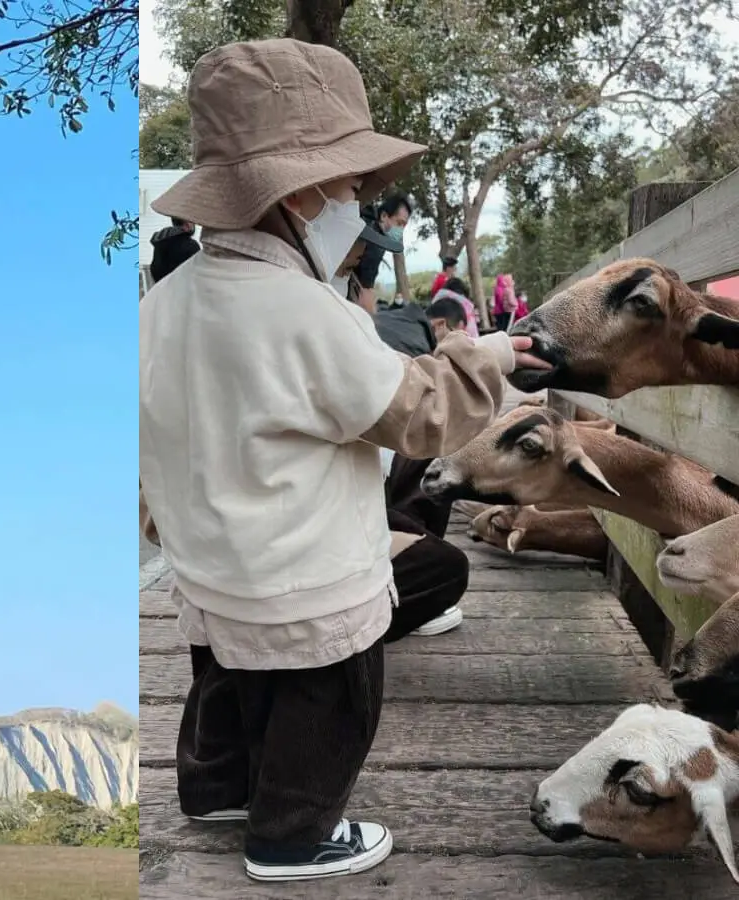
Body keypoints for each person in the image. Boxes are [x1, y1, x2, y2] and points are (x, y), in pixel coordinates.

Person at [140, 37, 550, 884]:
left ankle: (215, 789)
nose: (357, 208)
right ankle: (292, 836)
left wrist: (162, 523)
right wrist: (488, 359)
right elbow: (418, 412)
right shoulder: (304, 309)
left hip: (209, 564)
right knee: (326, 701)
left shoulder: (162, 305)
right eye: (351, 187)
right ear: (298, 193)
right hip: (307, 574)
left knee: (225, 675)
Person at [350, 193, 412, 308]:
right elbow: (365, 285)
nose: (401, 229)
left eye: (404, 225)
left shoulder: (364, 222)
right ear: (384, 216)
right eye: (399, 223)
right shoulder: (374, 240)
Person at [149, 217, 201, 284]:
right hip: (183, 288)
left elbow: (155, 269)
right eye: (193, 222)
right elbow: (198, 274)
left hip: (162, 287)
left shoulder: (161, 242)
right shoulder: (191, 245)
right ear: (187, 223)